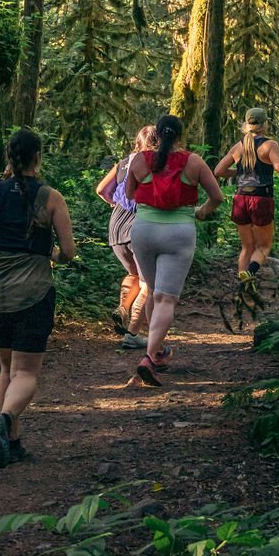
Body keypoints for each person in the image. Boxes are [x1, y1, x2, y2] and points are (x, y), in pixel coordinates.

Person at [0, 129, 76, 468]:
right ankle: (4, 419)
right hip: (32, 293)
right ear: (38, 157)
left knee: (6, 367)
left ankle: (13, 441)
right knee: (26, 373)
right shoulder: (50, 198)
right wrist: (49, 255)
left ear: (9, 157)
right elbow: (68, 251)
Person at [125, 114, 223, 386]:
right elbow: (217, 197)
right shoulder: (193, 161)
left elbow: (130, 194)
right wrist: (201, 211)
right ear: (182, 134)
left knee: (153, 292)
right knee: (167, 298)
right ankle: (148, 357)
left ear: (156, 134)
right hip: (179, 232)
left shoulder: (139, 160)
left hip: (143, 230)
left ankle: (156, 352)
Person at [213, 106, 279, 303]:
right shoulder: (269, 145)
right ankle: (251, 272)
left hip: (240, 199)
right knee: (264, 246)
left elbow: (219, 170)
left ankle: (242, 289)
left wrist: (238, 173)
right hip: (261, 198)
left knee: (246, 247)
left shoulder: (238, 146)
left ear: (246, 124)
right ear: (265, 125)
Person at [95, 126, 159, 352]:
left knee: (134, 274)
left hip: (115, 227)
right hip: (137, 226)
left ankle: (122, 309)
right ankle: (132, 333)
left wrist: (116, 204)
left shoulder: (122, 162)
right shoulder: (151, 162)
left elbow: (101, 189)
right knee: (149, 284)